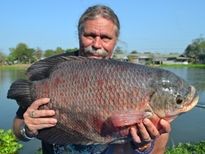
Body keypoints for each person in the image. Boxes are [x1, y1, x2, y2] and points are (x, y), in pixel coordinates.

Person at [12, 4, 171, 154]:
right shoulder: (57, 70)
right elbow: (17, 127)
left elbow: (157, 147)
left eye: (105, 38)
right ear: (79, 34)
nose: (96, 44)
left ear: (116, 40)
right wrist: (27, 129)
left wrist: (143, 146)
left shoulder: (129, 78)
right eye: (90, 35)